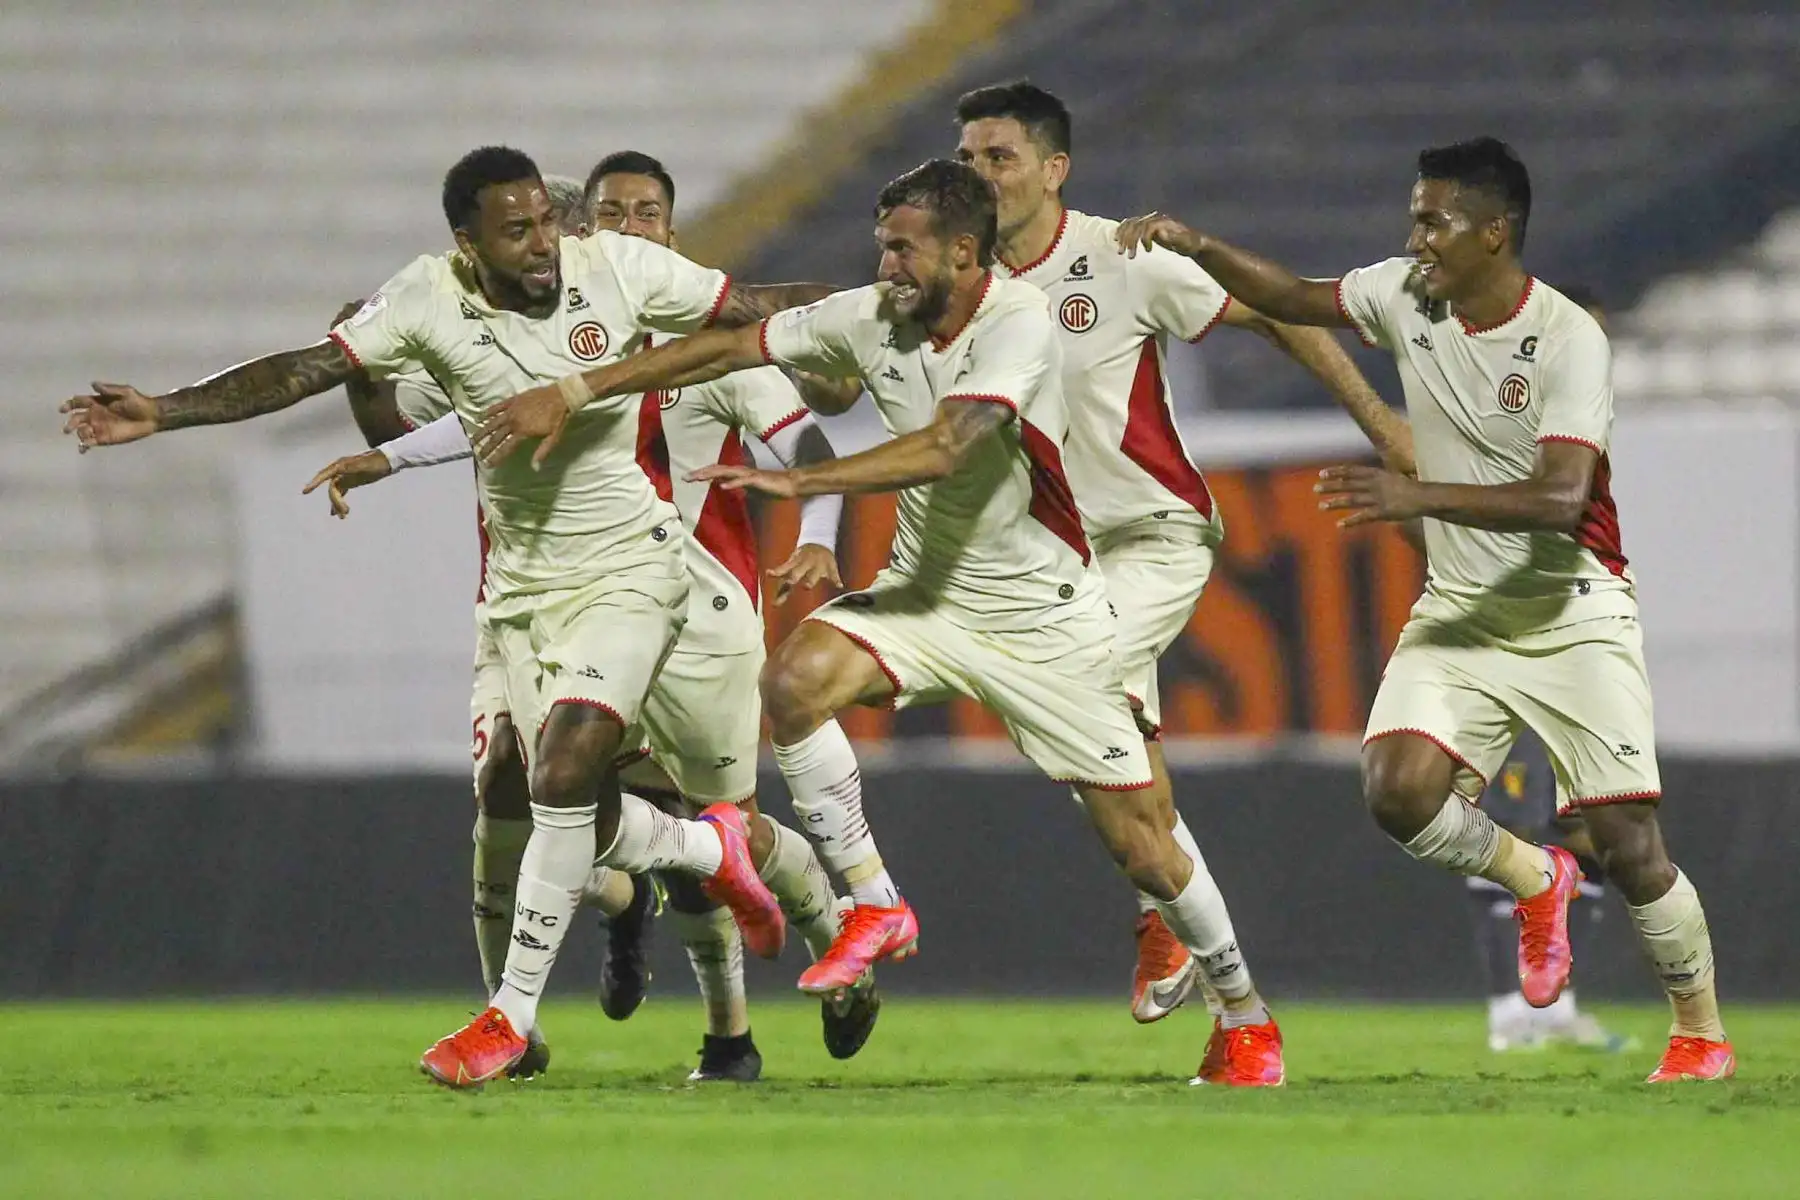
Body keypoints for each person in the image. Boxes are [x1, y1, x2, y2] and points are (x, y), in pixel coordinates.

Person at [474, 159, 1287, 1087]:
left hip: (1042, 622)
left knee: (1143, 845)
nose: (885, 265)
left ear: (966, 254)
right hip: (923, 598)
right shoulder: (872, 314)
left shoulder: (1017, 324)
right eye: (882, 246)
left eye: (904, 249)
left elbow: (949, 446)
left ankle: (1244, 1012)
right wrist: (581, 390)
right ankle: (874, 899)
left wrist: (806, 481)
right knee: (794, 683)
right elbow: (728, 345)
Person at [61, 145, 839, 1089]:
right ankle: (701, 850)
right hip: (520, 594)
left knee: (564, 760)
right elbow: (309, 369)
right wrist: (169, 409)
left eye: (547, 222)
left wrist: (885, 296)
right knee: (521, 785)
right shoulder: (428, 299)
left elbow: (758, 306)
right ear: (467, 242)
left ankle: (515, 1019)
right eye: (518, 231)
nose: (545, 245)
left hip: (635, 566)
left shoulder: (620, 268)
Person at [1111, 137, 1732, 1081]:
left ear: (1495, 233)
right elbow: (1289, 298)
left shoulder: (1568, 338)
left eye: (1433, 221)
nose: (1416, 237)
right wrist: (1198, 245)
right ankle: (1537, 880)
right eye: (1414, 218)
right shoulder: (1406, 293)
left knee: (1631, 846)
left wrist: (1419, 498)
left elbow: (1563, 499)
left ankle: (1700, 1034)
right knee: (1397, 791)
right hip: (1460, 609)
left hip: (1570, 608)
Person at [306, 150, 878, 1081]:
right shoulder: (533, 337)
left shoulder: (699, 349)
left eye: (646, 214)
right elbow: (440, 419)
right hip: (557, 606)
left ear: (671, 238)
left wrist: (821, 505)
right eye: (608, 215)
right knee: (528, 788)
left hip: (695, 611)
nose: (624, 231)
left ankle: (787, 977)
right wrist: (367, 397)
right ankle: (539, 1000)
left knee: (706, 828)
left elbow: (812, 408)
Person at [952, 80, 1407, 1034]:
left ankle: (1180, 926)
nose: (980, 174)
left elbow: (1279, 315)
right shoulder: (963, 283)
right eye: (967, 158)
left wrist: (1379, 422)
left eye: (999, 157)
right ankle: (1171, 910)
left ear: (1053, 169)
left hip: (1152, 536)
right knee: (1099, 755)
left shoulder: (1119, 259)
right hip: (1055, 561)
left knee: (1068, 701)